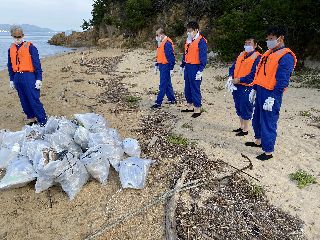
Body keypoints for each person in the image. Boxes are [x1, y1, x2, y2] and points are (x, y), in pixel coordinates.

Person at [246, 26, 297, 161]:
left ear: (281, 39)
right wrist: (255, 88)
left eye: (272, 39)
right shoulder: (268, 53)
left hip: (271, 93)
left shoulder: (286, 56)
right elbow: (260, 73)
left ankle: (268, 151)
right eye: (268, 39)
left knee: (269, 121)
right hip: (261, 90)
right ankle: (258, 141)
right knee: (257, 118)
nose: (269, 41)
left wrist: (274, 97)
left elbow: (282, 80)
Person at [7, 25, 47, 126]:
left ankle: (43, 121)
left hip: (29, 76)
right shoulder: (10, 49)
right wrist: (11, 79)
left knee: (34, 99)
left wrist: (39, 79)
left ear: (23, 35)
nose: (18, 39)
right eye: (15, 37)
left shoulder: (31, 47)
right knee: (24, 100)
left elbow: (37, 64)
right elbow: (10, 66)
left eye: (19, 37)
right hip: (17, 77)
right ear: (12, 36)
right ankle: (31, 119)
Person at [227, 36, 261, 136]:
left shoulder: (257, 57)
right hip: (236, 85)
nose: (247, 45)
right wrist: (230, 77)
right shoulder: (242, 54)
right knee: (238, 106)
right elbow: (233, 67)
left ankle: (245, 129)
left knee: (246, 106)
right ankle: (241, 126)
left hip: (247, 86)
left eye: (249, 43)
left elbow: (254, 74)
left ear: (255, 45)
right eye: (246, 43)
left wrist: (239, 79)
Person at [180, 21, 207, 118]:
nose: (189, 33)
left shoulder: (201, 41)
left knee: (195, 87)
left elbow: (203, 57)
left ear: (196, 30)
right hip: (188, 66)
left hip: (195, 67)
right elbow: (185, 53)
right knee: (187, 87)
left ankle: (197, 108)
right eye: (187, 31)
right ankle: (190, 105)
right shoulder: (189, 40)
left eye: (190, 31)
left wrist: (200, 70)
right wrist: (182, 65)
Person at [151, 28, 176, 109]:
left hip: (166, 66)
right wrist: (156, 64)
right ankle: (172, 99)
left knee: (163, 84)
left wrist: (171, 68)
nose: (156, 37)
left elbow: (171, 57)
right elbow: (160, 55)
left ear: (162, 34)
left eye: (157, 35)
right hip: (162, 65)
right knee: (167, 83)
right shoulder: (161, 42)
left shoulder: (167, 43)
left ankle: (158, 102)